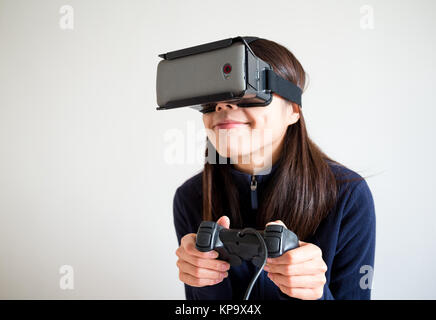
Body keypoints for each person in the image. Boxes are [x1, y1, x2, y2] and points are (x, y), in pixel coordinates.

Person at [173, 37, 376, 300]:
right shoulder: (191, 197)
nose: (223, 105)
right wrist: (204, 279)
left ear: (293, 109)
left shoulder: (348, 195)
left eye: (249, 91)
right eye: (212, 99)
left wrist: (314, 293)